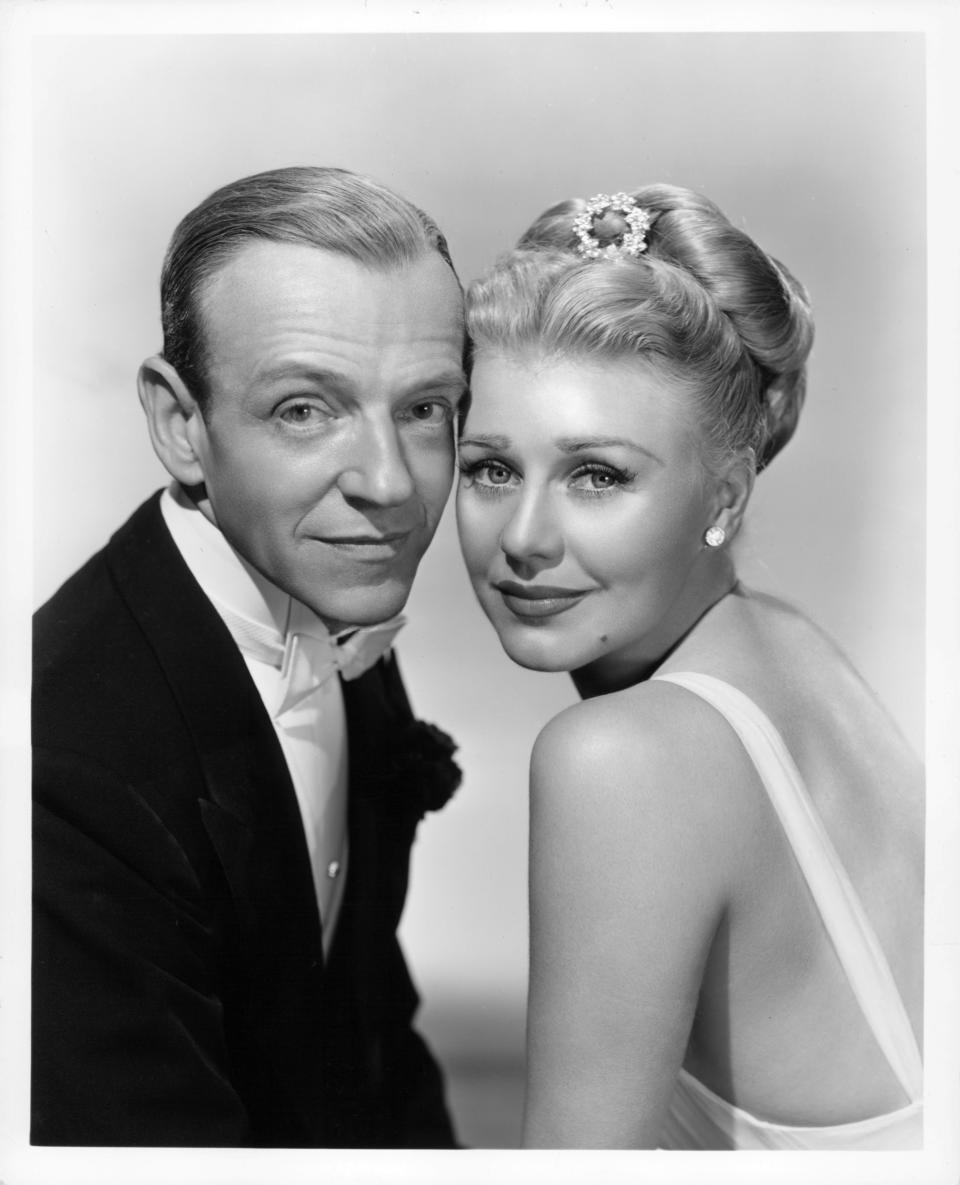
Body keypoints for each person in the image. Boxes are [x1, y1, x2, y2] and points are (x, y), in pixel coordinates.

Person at [456, 186, 923, 1149]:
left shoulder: (623, 757)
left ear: (727, 491)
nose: (526, 538)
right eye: (492, 468)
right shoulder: (791, 651)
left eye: (598, 475)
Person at [32, 166, 468, 1147]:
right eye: (306, 410)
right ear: (181, 425)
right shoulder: (59, 764)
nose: (391, 485)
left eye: (425, 408)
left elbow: (366, 1045)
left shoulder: (321, 592)